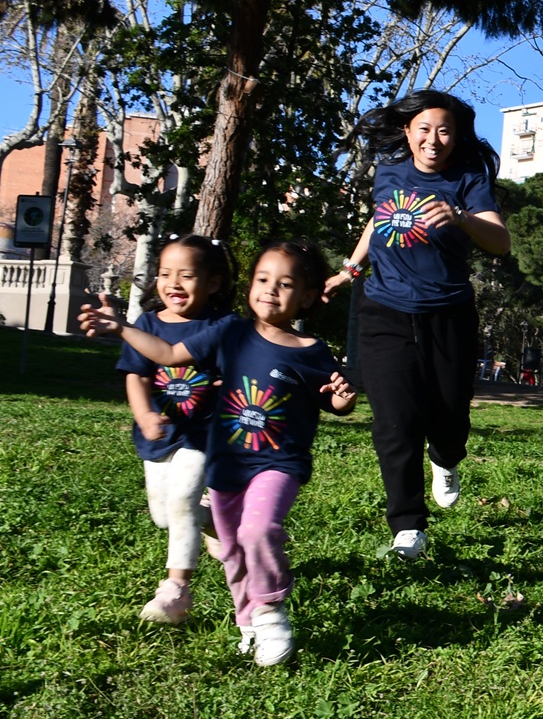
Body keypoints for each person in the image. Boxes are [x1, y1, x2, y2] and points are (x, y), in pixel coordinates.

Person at [83, 241, 358, 667]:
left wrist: (342, 399)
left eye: (284, 284)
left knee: (257, 530)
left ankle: (270, 612)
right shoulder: (230, 332)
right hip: (227, 464)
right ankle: (247, 622)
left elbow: (336, 403)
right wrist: (121, 328)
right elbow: (170, 354)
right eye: (262, 280)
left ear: (306, 296)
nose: (270, 290)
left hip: (277, 464)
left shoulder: (313, 352)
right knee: (230, 549)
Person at [324, 89, 510, 560]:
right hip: (384, 309)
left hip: (448, 312)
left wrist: (461, 216)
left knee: (449, 415)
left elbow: (500, 243)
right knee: (395, 421)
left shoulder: (469, 178)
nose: (433, 139)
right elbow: (377, 220)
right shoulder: (389, 171)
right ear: (407, 131)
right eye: (424, 129)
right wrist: (350, 270)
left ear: (457, 135)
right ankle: (407, 526)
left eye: (444, 130)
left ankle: (445, 459)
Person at [115, 234, 235, 624]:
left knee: (183, 499)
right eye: (165, 274)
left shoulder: (220, 326)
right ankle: (218, 523)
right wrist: (145, 415)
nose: (173, 283)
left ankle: (176, 591)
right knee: (166, 516)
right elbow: (136, 376)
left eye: (186, 275)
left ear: (213, 283)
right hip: (159, 433)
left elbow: (237, 369)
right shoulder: (147, 324)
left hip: (202, 433)